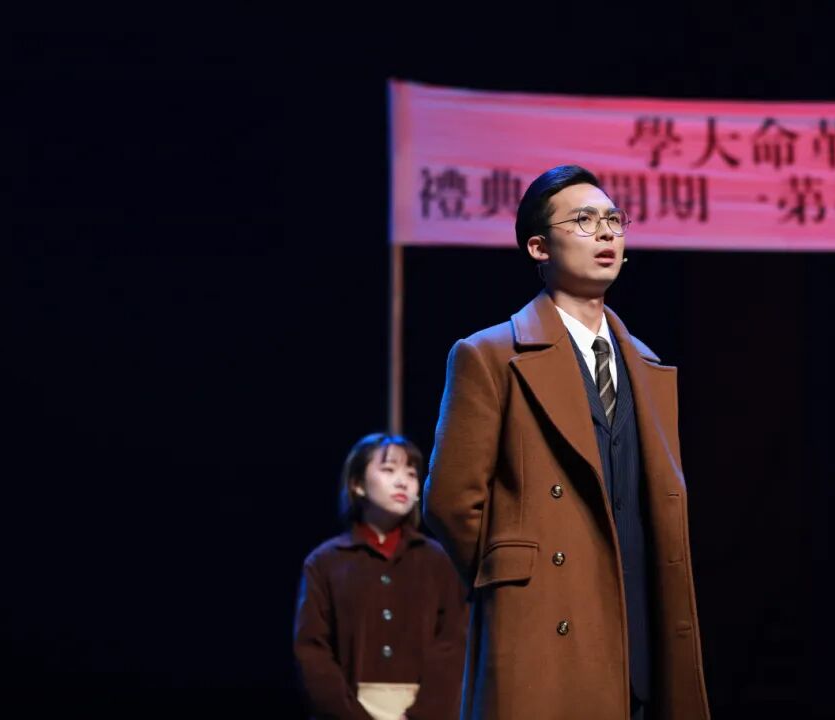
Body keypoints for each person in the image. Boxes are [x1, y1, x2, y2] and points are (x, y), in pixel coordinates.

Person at [423, 166, 710, 719]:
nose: (605, 233)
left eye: (613, 220)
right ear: (538, 247)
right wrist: (520, 583)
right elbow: (450, 502)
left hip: (638, 636)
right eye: (583, 220)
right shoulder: (490, 355)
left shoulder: (647, 367)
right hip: (544, 636)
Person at [295, 433, 468, 720]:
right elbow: (312, 651)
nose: (403, 482)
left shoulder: (438, 561)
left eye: (411, 474)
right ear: (357, 484)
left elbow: (454, 644)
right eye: (389, 470)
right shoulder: (325, 562)